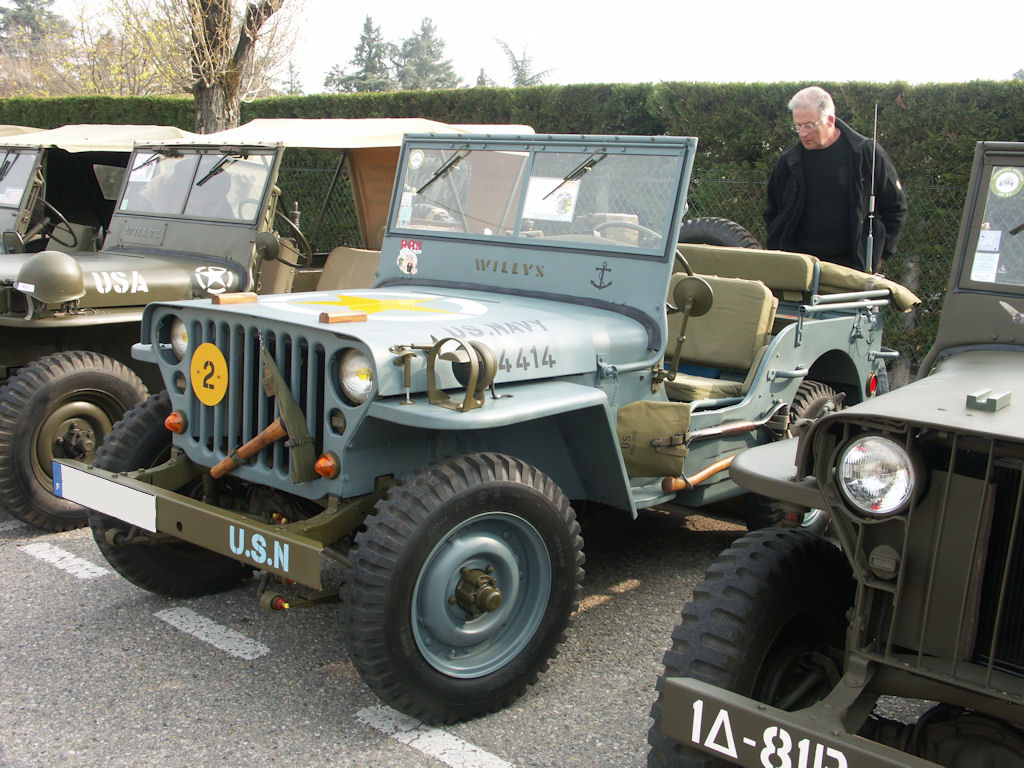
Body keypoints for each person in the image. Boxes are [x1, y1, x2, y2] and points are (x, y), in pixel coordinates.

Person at [764, 86, 907, 274]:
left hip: (852, 269)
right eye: (797, 126)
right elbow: (772, 212)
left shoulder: (865, 154)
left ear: (830, 120)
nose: (803, 133)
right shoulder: (789, 161)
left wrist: (878, 256)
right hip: (800, 268)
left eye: (809, 125)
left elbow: (895, 207)